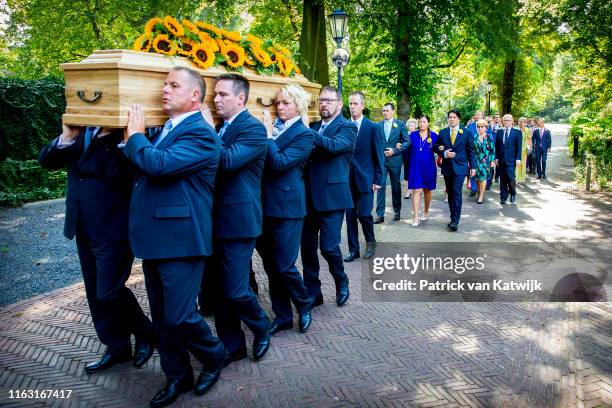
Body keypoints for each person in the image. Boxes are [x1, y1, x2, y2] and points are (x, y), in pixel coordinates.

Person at [122, 67, 225, 407]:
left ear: (195, 96)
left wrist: (135, 137)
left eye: (174, 85)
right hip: (155, 237)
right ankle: (177, 376)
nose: (164, 89)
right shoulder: (165, 129)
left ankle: (213, 355)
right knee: (164, 317)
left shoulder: (202, 134)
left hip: (182, 240)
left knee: (181, 315)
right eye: (164, 84)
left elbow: (159, 165)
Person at [38, 126, 156, 375]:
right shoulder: (82, 129)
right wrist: (67, 137)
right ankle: (117, 347)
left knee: (109, 290)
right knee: (94, 291)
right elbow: (46, 161)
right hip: (82, 223)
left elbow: (121, 173)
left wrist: (106, 137)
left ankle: (146, 333)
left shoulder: (128, 132)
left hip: (114, 226)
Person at [207, 73, 271, 368]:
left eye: (222, 94)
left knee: (235, 289)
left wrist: (206, 131)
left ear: (241, 98)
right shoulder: (220, 128)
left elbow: (228, 161)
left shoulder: (254, 129)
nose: (215, 99)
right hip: (212, 220)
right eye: (214, 94)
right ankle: (233, 346)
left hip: (239, 220)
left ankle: (261, 326)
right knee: (220, 291)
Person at [258, 84, 314, 336]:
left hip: (289, 208)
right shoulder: (271, 128)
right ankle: (282, 316)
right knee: (271, 265)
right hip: (263, 205)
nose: (280, 107)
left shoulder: (304, 135)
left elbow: (279, 163)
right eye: (278, 102)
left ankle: (303, 303)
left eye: (286, 103)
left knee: (284, 265)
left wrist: (268, 136)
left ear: (298, 106)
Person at [302, 86, 356, 308]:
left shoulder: (348, 127)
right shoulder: (313, 126)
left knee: (329, 247)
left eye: (329, 100)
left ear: (339, 104)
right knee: (306, 248)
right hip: (307, 197)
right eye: (321, 100)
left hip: (333, 198)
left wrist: (303, 129)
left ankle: (341, 280)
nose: (323, 104)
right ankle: (313, 292)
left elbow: (333, 146)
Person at [344, 91, 383, 262]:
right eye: (350, 104)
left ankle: (371, 243)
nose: (352, 107)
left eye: (355, 104)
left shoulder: (373, 127)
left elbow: (379, 155)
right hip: (346, 179)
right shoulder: (344, 126)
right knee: (350, 216)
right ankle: (353, 250)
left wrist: (378, 180)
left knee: (365, 214)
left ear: (362, 106)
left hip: (366, 179)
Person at [434, 109, 476, 232]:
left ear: (458, 119)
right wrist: (445, 153)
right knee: (450, 193)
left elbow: (471, 151)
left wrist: (473, 167)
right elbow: (436, 147)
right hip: (447, 167)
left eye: (454, 117)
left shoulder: (466, 133)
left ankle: (455, 221)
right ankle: (452, 217)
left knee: (456, 192)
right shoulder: (443, 132)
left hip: (460, 167)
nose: (451, 119)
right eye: (450, 117)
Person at [375, 103, 409, 223]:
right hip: (381, 161)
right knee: (380, 186)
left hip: (395, 161)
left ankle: (397, 211)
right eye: (383, 111)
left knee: (395, 187)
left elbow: (407, 142)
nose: (385, 113)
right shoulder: (378, 126)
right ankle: (380, 215)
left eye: (387, 111)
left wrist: (394, 150)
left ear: (393, 111)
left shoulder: (400, 125)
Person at [407, 115, 438, 226]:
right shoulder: (413, 135)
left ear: (428, 123)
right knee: (416, 191)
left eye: (424, 122)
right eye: (420, 122)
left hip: (429, 167)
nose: (422, 124)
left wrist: (444, 152)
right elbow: (406, 149)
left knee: (427, 191)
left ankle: (426, 211)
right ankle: (415, 217)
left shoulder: (434, 136)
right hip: (415, 167)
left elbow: (439, 149)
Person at [495, 114, 522, 205]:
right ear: (502, 121)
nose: (506, 122)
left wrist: (518, 159)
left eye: (508, 120)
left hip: (511, 160)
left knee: (511, 178)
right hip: (501, 160)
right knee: (502, 179)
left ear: (512, 121)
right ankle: (503, 197)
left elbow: (519, 147)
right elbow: (497, 146)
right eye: (505, 120)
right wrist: (496, 158)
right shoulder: (499, 131)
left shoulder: (517, 132)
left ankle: (513, 193)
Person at [472, 119, 496, 204]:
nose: (480, 128)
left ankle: (481, 196)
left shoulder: (489, 137)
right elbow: (472, 150)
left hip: (486, 160)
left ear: (486, 127)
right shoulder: (474, 137)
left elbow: (492, 149)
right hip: (476, 159)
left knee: (483, 177)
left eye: (482, 127)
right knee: (478, 178)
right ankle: (479, 192)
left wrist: (493, 160)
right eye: (478, 127)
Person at [401, 119, 417, 199]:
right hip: (406, 157)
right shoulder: (405, 134)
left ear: (415, 126)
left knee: (414, 173)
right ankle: (409, 190)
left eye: (413, 125)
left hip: (415, 157)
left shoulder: (418, 134)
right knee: (407, 174)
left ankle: (413, 190)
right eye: (410, 125)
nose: (411, 127)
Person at [517, 117, 532, 183]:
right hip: (517, 148)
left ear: (525, 123)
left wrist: (530, 148)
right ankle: (516, 177)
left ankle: (521, 178)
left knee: (523, 163)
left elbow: (529, 139)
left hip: (524, 149)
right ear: (518, 122)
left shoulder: (528, 130)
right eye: (520, 122)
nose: (522, 123)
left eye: (523, 122)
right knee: (517, 163)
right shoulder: (516, 129)